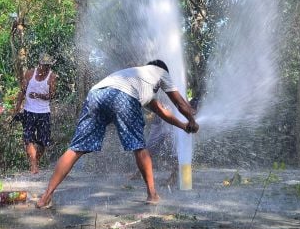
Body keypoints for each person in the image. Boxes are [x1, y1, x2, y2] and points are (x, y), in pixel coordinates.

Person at [35, 60, 199, 208]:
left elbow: (162, 111)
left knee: (76, 148)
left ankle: (46, 196)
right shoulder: (161, 72)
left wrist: (183, 126)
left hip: (96, 94)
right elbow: (180, 103)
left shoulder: (139, 80)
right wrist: (191, 119)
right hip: (123, 96)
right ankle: (152, 194)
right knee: (139, 147)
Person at [13, 52, 57, 174]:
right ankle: (33, 166)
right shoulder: (30, 73)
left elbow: (52, 95)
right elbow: (22, 91)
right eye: (45, 65)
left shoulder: (52, 77)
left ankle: (35, 162)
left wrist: (38, 95)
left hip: (44, 112)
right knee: (28, 138)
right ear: (39, 64)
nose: (47, 68)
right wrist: (17, 107)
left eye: (48, 66)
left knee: (44, 142)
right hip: (29, 111)